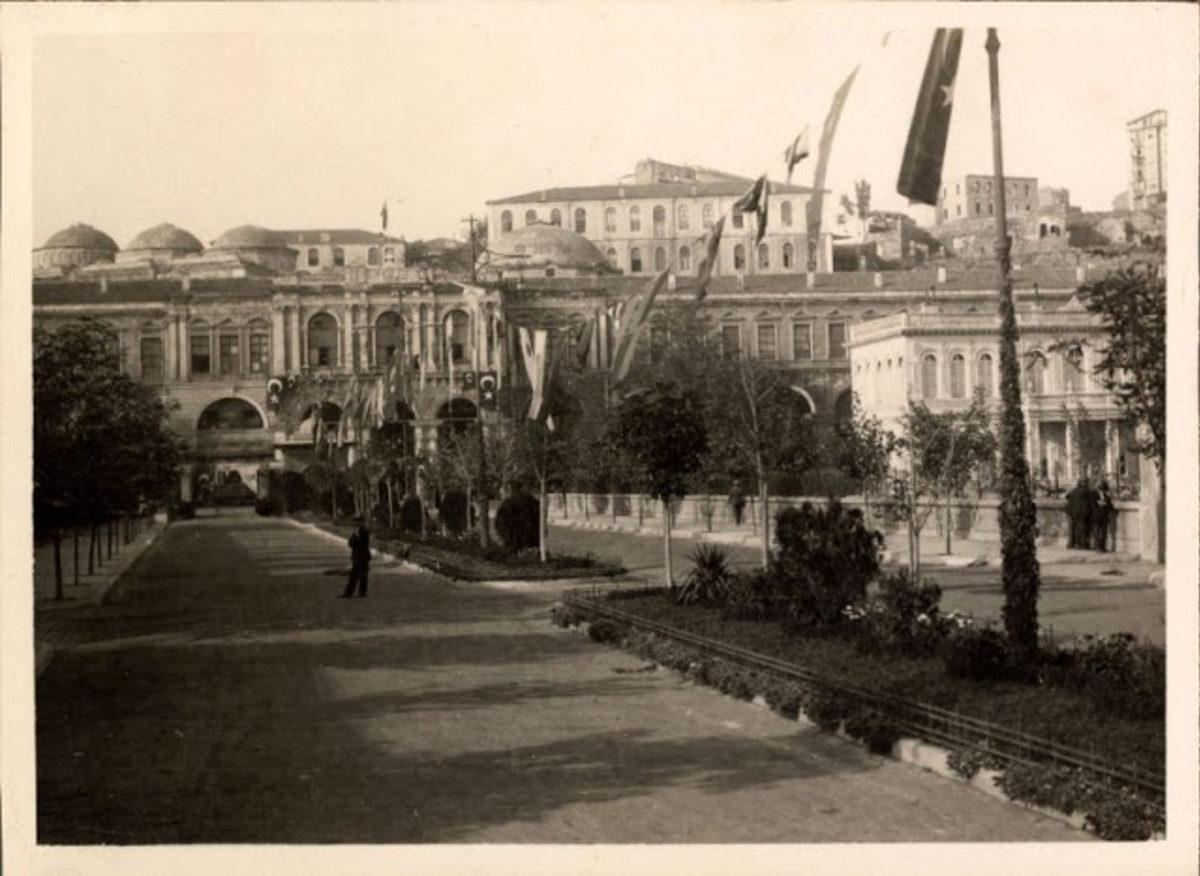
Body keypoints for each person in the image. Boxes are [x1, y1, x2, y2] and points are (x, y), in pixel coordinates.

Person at [341, 516, 371, 598]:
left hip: (363, 556)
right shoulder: (356, 532)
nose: (357, 524)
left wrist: (357, 537)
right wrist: (355, 538)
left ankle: (361, 593)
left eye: (358, 522)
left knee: (362, 576)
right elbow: (350, 543)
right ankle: (349, 593)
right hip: (357, 556)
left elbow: (364, 543)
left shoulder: (365, 531)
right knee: (354, 575)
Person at [1094, 480, 1115, 552]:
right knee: (1096, 533)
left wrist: (1104, 504)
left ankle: (1102, 547)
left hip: (1104, 517)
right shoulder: (1094, 495)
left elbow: (1110, 507)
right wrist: (1099, 504)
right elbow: (1092, 505)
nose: (1102, 491)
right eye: (1101, 489)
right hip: (1096, 516)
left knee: (1103, 533)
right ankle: (1097, 547)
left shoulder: (1107, 497)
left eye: (1103, 489)